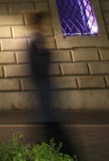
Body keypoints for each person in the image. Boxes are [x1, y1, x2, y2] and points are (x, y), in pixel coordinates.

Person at [25, 10, 79, 159]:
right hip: (43, 91)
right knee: (52, 130)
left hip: (43, 91)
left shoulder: (36, 39)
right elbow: (40, 66)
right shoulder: (37, 39)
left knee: (50, 130)